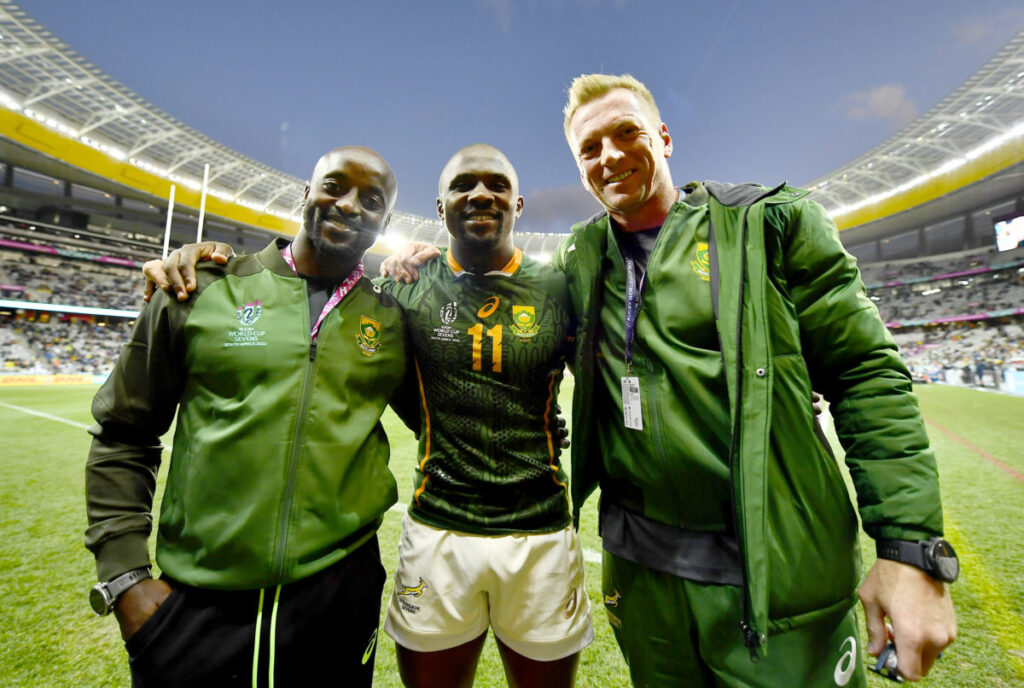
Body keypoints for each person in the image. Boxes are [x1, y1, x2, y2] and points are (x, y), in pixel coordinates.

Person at [384, 75, 958, 686]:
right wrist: (412, 261)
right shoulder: (583, 257)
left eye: (625, 133)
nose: (609, 155)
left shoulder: (768, 225)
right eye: (589, 148)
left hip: (774, 570)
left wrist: (909, 549)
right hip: (644, 575)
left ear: (663, 137)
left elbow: (865, 373)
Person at [143, 144, 593, 688]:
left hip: (540, 532)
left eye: (497, 184)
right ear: (440, 207)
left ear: (518, 203)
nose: (480, 194)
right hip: (437, 530)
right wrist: (208, 255)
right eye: (463, 184)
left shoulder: (557, 287)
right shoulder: (403, 289)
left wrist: (540, 426)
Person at [85, 146, 416, 687]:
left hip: (338, 602)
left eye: (372, 200)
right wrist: (125, 579)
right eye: (334, 186)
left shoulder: (392, 319)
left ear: (385, 221)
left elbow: (448, 419)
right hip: (195, 605)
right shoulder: (200, 288)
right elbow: (123, 431)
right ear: (306, 194)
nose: (349, 205)